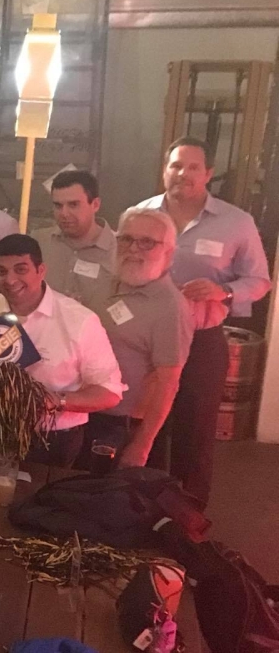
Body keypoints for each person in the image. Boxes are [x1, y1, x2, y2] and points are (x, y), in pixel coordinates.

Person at [132, 137, 270, 501]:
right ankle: (141, 507)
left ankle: (187, 516)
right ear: (165, 171)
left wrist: (221, 292)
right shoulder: (139, 216)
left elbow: (260, 282)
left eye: (193, 167)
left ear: (208, 173)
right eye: (176, 166)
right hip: (148, 343)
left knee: (195, 433)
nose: (183, 174)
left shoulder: (236, 222)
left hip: (202, 341)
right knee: (147, 428)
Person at [0, 235, 124, 469]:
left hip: (56, 439)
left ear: (41, 270)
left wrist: (58, 401)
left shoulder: (80, 320)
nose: (10, 279)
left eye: (21, 269)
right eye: (1, 271)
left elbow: (110, 392)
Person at [90, 208, 193, 469]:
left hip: (122, 426)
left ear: (168, 252)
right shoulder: (112, 281)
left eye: (147, 242)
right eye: (126, 239)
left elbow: (169, 384)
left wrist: (142, 445)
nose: (133, 249)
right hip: (86, 412)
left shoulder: (171, 308)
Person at [32, 170, 116, 312]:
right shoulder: (39, 242)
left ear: (95, 204)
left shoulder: (119, 251)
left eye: (73, 205)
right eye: (58, 205)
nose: (64, 213)